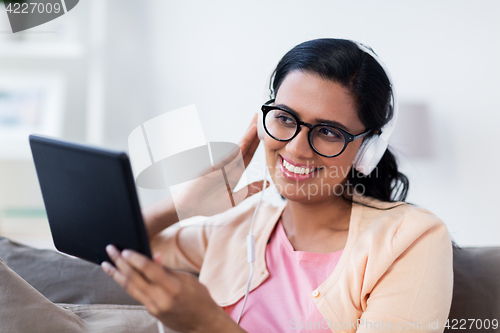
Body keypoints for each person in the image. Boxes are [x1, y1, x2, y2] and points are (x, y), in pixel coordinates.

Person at [101, 39, 453, 333]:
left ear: (367, 149)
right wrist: (183, 205)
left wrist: (209, 325)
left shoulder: (410, 239)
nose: (296, 148)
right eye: (285, 118)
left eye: (328, 131)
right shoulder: (242, 223)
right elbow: (108, 246)